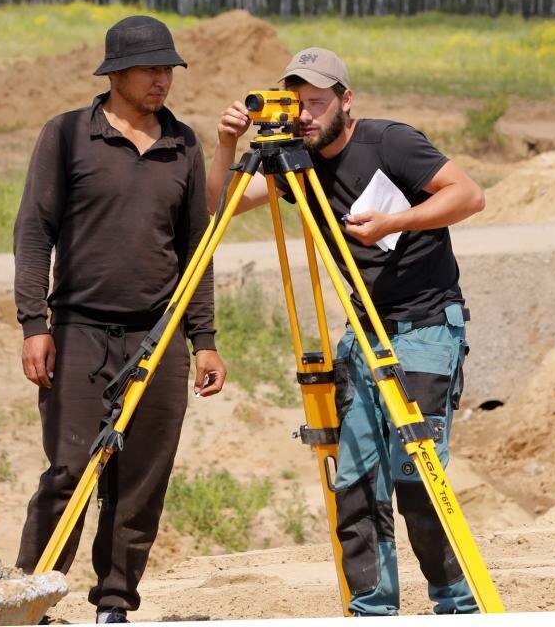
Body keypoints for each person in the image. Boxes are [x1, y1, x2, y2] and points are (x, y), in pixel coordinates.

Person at [208, 47, 485, 616]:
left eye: (316, 103)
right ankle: (372, 607)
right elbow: (217, 206)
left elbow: (469, 194)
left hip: (426, 325)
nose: (305, 116)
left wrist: (395, 221)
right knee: (355, 479)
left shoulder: (390, 142)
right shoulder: (296, 164)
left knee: (417, 477)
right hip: (365, 332)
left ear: (345, 100)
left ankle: (457, 604)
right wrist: (226, 146)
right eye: (296, 105)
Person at [14, 15, 227, 625]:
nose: (163, 79)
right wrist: (35, 324)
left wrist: (203, 340)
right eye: (151, 69)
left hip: (157, 340)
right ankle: (32, 600)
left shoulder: (183, 143)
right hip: (77, 330)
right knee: (69, 471)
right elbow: (33, 232)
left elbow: (196, 250)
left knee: (139, 483)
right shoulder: (65, 136)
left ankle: (114, 604)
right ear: (116, 74)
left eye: (169, 69)